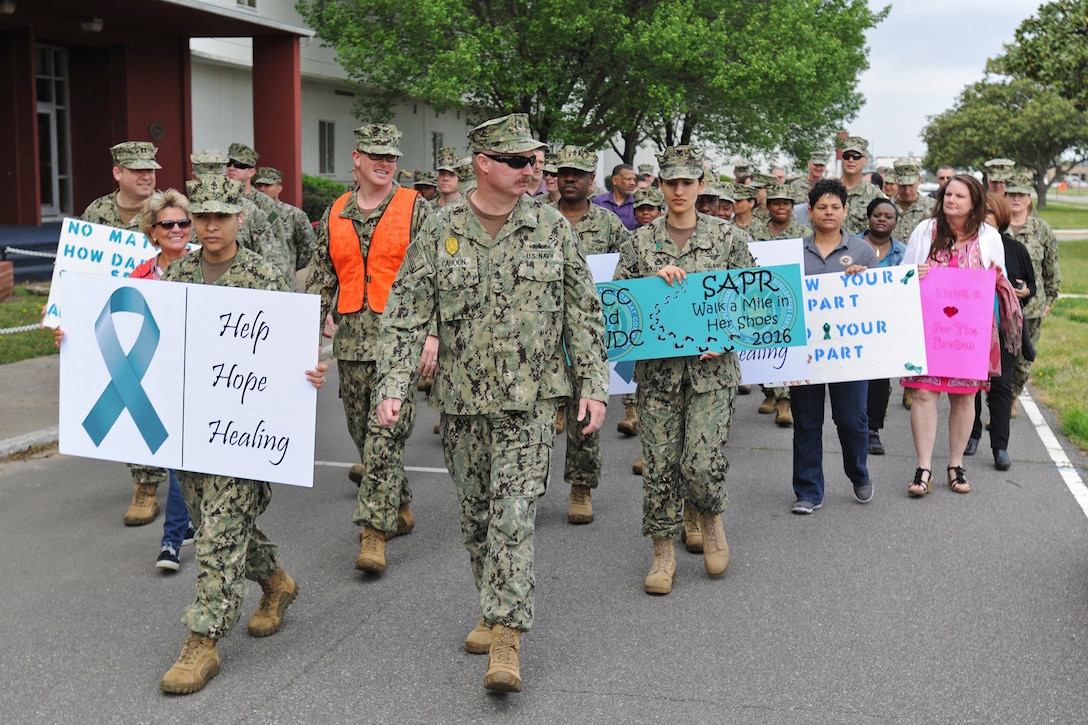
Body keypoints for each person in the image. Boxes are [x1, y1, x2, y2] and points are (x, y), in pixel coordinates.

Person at [374, 113, 609, 693]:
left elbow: (582, 313)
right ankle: (491, 600)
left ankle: (506, 636)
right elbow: (405, 311)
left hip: (531, 404)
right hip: (460, 401)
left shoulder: (552, 227)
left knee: (514, 514)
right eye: (520, 161)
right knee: (477, 517)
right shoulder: (440, 227)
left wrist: (594, 385)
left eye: (536, 160)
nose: (534, 169)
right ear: (484, 164)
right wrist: (393, 385)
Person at [157, 174, 328, 694]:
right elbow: (155, 342)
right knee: (214, 524)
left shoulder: (264, 276)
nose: (209, 225)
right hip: (192, 431)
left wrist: (308, 371)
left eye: (220, 215)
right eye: (199, 216)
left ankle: (201, 641)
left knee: (216, 533)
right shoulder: (176, 274)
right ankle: (276, 582)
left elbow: (288, 352)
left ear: (240, 217)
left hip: (244, 433)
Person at [615, 144, 753, 593]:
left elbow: (752, 303)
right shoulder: (639, 242)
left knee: (700, 461)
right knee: (659, 464)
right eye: (671, 182)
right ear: (660, 185)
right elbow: (618, 307)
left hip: (711, 374)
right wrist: (647, 285)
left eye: (687, 183)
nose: (678, 190)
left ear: (700, 186)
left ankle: (709, 517)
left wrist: (726, 337)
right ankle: (662, 553)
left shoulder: (728, 238)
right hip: (657, 375)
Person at [305, 124, 431, 574]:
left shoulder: (417, 208)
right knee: (366, 438)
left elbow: (436, 276)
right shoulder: (336, 210)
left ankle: (373, 533)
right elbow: (322, 276)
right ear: (356, 158)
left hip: (401, 343)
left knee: (384, 438)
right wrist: (308, 332)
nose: (384, 163)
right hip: (353, 344)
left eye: (392, 157)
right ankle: (398, 504)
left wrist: (432, 336)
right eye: (376, 155)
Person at [81, 141, 168, 527]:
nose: (147, 175)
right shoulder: (97, 213)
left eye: (150, 169)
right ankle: (146, 484)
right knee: (134, 399)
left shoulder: (170, 211)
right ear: (118, 173)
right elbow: (78, 270)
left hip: (164, 320)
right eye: (137, 170)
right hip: (119, 323)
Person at [902, 174, 1005, 497]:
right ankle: (924, 467)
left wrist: (993, 277)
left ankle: (956, 464)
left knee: (964, 397)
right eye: (948, 194)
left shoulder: (988, 236)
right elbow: (904, 271)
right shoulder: (925, 230)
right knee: (922, 394)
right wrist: (912, 273)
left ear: (974, 202)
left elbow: (1000, 281)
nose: (951, 200)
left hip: (969, 333)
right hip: (927, 327)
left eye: (960, 196)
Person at [551, 145, 630, 524]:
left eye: (578, 174)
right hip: (542, 335)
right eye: (564, 172)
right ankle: (523, 487)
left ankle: (580, 487)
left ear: (590, 181)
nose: (570, 179)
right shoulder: (538, 219)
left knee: (585, 412)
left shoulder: (609, 224)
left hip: (587, 335)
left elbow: (633, 268)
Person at [790, 180, 879, 514]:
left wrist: (863, 279)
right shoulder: (794, 252)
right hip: (806, 354)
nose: (829, 213)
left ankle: (858, 473)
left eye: (835, 207)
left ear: (845, 210)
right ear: (810, 211)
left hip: (849, 354)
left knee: (853, 419)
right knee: (807, 422)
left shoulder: (862, 251)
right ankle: (808, 491)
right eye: (822, 207)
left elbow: (878, 300)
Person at [130, 189, 199, 571]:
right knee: (177, 456)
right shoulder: (138, 277)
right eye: (167, 224)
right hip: (160, 379)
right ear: (152, 231)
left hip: (204, 378)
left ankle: (171, 540)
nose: (177, 229)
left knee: (183, 456)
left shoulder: (209, 266)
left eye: (184, 223)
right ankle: (185, 523)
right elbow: (113, 319)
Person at [966, 192, 1035, 470]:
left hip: (1005, 329)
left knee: (1001, 388)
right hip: (970, 329)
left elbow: (1031, 286)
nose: (984, 218)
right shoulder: (965, 247)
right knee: (969, 386)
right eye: (980, 212)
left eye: (990, 213)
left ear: (1002, 217)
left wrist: (1023, 291)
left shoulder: (1016, 249)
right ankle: (971, 435)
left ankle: (1000, 447)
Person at [750, 182, 806, 428]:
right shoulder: (754, 232)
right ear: (768, 205)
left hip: (792, 296)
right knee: (765, 349)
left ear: (792, 207)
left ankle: (786, 402)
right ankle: (770, 393)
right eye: (776, 203)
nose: (781, 207)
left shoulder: (804, 233)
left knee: (788, 349)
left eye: (786, 203)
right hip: (760, 298)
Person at [1006, 171, 1060, 416]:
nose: (1016, 199)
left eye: (1021, 195)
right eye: (1011, 194)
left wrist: (1050, 298)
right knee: (999, 355)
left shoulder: (1042, 229)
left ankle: (1013, 395)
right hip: (999, 305)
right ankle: (1000, 397)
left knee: (1025, 356)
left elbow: (1051, 266)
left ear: (1029, 199)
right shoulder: (995, 227)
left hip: (1032, 305)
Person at [860, 198, 907, 456]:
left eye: (888, 216)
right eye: (877, 214)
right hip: (853, 323)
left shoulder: (904, 252)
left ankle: (872, 430)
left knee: (879, 379)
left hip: (887, 327)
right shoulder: (851, 245)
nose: (882, 219)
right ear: (868, 217)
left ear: (895, 222)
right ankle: (855, 428)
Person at [226, 143, 294, 286]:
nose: (231, 168)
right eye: (229, 163)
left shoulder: (265, 204)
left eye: (239, 164)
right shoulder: (221, 199)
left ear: (251, 172)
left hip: (255, 275)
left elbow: (279, 242)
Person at [253, 166, 316, 283]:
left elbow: (308, 247)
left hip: (284, 279)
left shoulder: (294, 214)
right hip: (255, 278)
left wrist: (289, 265)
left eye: (267, 186)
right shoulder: (249, 213)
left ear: (279, 188)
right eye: (258, 185)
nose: (262, 189)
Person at [838, 136, 885, 236]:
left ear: (865, 160)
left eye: (856, 156)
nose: (851, 160)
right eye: (846, 156)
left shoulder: (875, 195)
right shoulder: (829, 191)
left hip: (862, 250)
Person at [890, 158, 936, 242]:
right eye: (903, 186)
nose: (907, 191)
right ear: (895, 180)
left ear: (919, 180)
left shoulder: (933, 206)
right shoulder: (886, 206)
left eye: (911, 185)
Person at [592, 163, 639, 230]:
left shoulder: (637, 203)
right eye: (628, 179)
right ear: (615, 180)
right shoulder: (598, 202)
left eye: (634, 179)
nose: (632, 183)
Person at [432, 146, 463, 211]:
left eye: (451, 174)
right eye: (442, 174)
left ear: (460, 177)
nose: (445, 178)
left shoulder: (469, 207)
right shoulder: (427, 208)